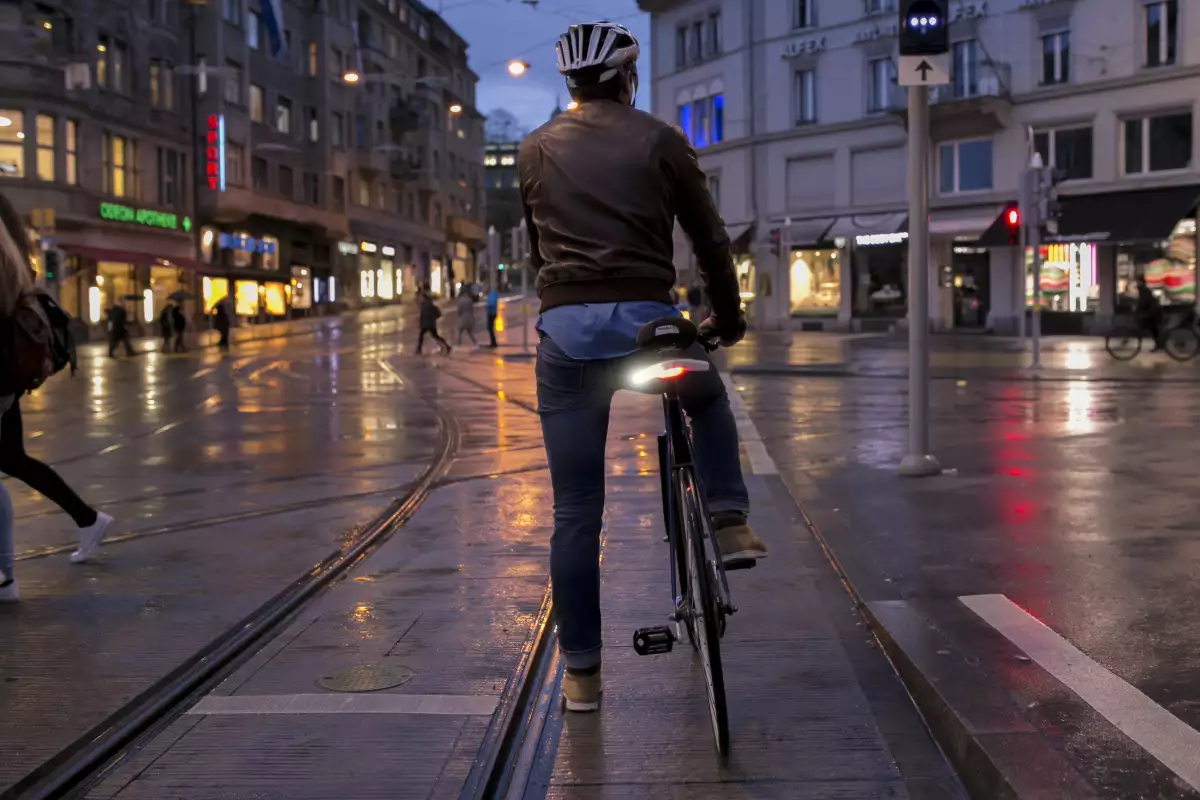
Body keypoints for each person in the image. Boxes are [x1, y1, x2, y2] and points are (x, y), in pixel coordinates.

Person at [522, 20, 767, 712]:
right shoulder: (660, 138)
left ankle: (582, 678)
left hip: (567, 336)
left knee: (574, 513)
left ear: (569, 84)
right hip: (651, 331)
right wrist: (730, 316)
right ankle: (728, 518)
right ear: (628, 78)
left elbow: (540, 246)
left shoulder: (532, 149)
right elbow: (710, 240)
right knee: (708, 398)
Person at [0, 196, 111, 586]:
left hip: (1, 374)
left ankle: (5, 576)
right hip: (7, 377)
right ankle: (88, 518)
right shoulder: (14, 252)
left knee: (9, 462)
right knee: (12, 459)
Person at [416, 285, 451, 355]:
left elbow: (423, 315)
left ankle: (419, 349)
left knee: (423, 336)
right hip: (431, 324)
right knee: (434, 336)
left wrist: (421, 322)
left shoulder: (424, 304)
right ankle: (447, 346)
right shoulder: (430, 304)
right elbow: (437, 314)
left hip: (427, 324)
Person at [1136, 273, 1165, 350]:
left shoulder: (1143, 290)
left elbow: (1144, 302)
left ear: (1141, 282)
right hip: (1152, 312)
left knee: (1149, 326)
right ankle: (1159, 343)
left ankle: (1158, 343)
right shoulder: (1144, 289)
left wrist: (1138, 308)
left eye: (1138, 282)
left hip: (1153, 313)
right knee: (1152, 328)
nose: (1137, 283)